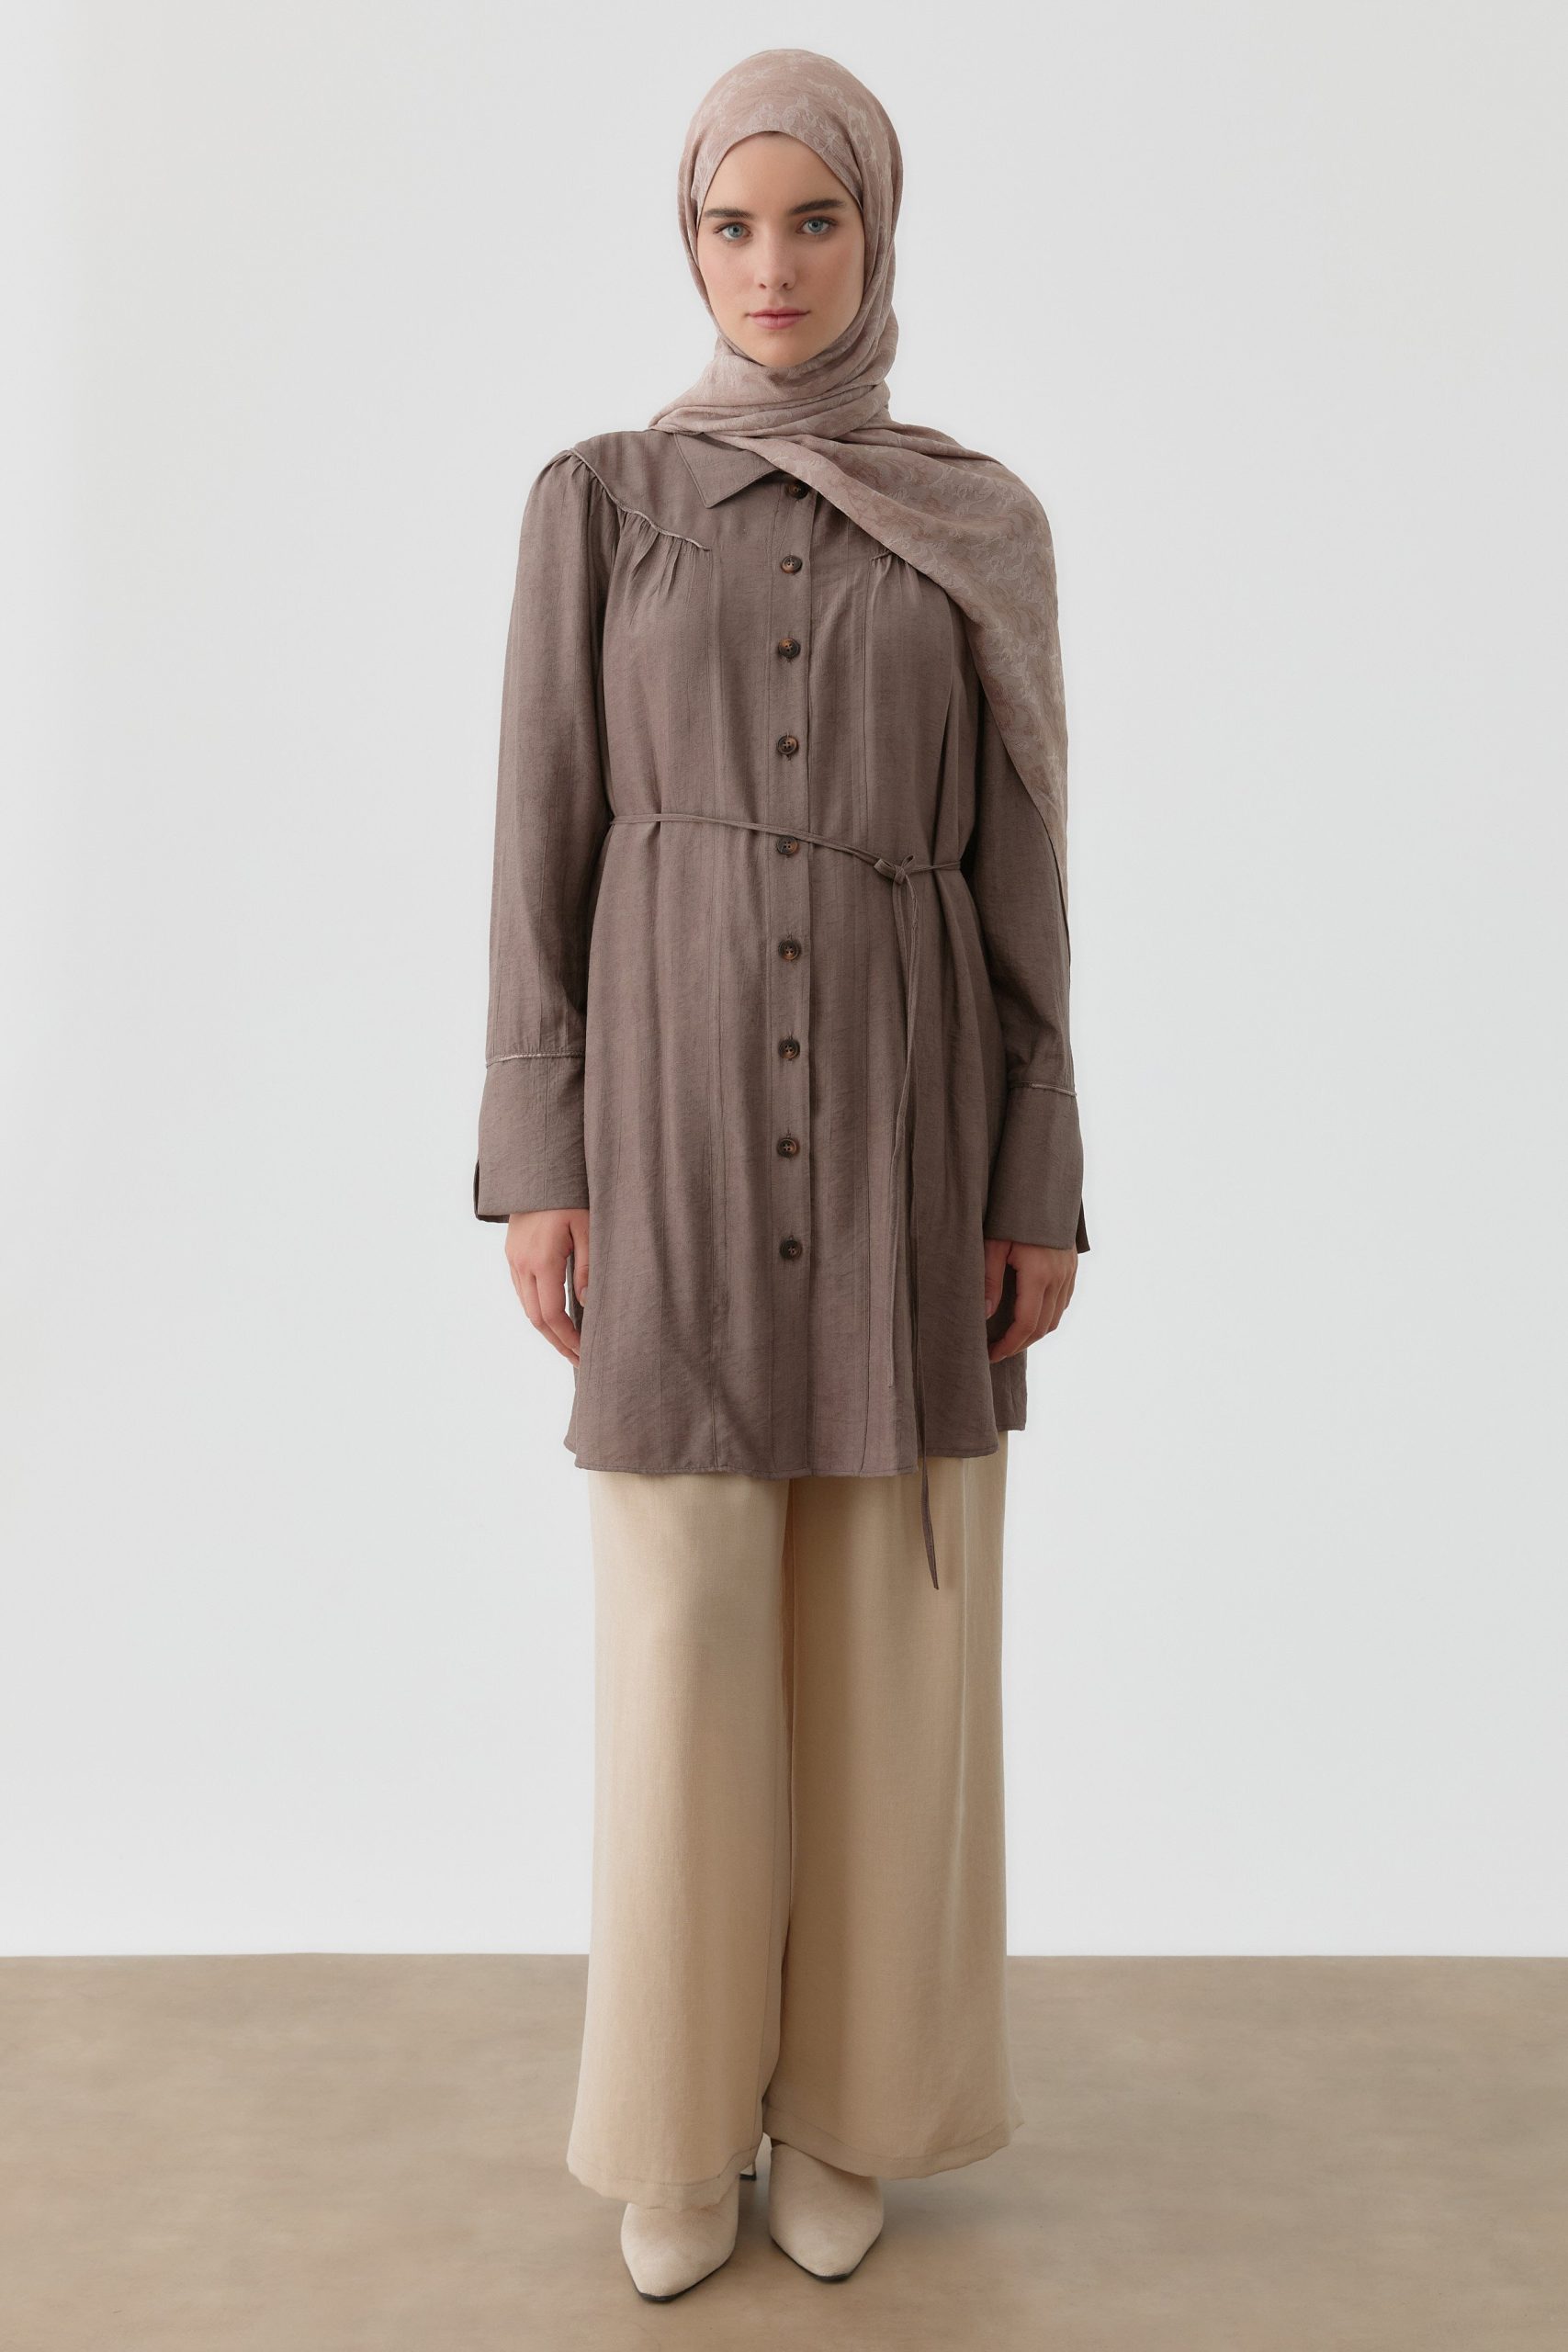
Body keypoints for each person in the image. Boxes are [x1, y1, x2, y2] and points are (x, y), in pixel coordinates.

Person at [472, 47, 1089, 2303]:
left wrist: (1035, 1167)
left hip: (916, 1138)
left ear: (875, 233)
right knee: (685, 1650)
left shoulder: (977, 518)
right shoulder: (603, 500)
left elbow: (1021, 870)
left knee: (888, 1657)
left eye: (811, 221)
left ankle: (846, 2112)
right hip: (672, 1141)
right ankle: (673, 2120)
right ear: (686, 243)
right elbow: (539, 842)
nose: (770, 268)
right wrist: (543, 1156)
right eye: (729, 226)